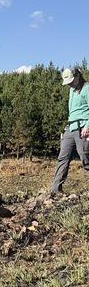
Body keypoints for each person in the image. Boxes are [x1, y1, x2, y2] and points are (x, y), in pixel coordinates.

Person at [51, 67, 89, 196]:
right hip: (70, 127)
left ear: (78, 76)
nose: (69, 84)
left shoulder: (87, 88)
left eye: (71, 81)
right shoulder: (72, 91)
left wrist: (87, 126)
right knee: (63, 157)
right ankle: (56, 190)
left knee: (84, 155)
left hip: (83, 127)